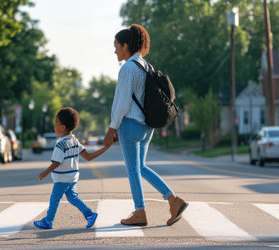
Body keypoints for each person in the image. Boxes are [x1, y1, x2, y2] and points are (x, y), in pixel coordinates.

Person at [103, 24, 188, 226]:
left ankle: (140, 212)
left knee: (133, 169)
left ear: (126, 45)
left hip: (130, 125)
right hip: (147, 127)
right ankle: (173, 200)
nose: (115, 50)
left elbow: (122, 103)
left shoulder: (127, 69)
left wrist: (111, 128)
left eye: (117, 46)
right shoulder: (146, 66)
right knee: (140, 167)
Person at [34, 107, 110, 229]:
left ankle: (48, 221)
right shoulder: (75, 141)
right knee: (72, 198)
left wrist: (45, 172)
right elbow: (88, 157)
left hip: (62, 179)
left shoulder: (60, 145)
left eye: (56, 124)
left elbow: (56, 163)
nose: (54, 126)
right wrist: (105, 148)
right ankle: (90, 214)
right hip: (72, 178)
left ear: (63, 127)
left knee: (54, 199)